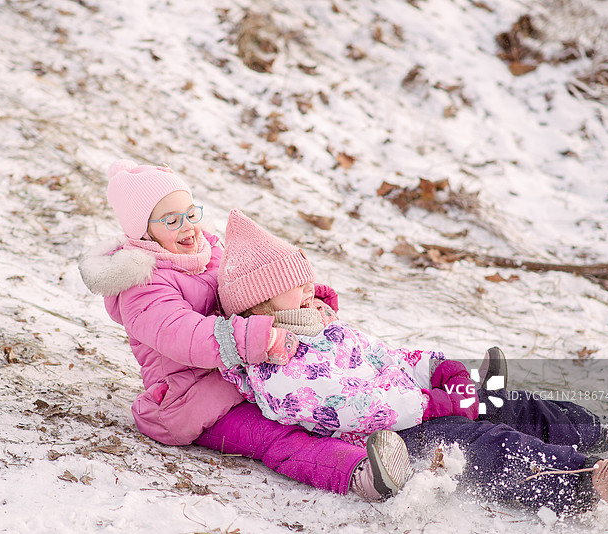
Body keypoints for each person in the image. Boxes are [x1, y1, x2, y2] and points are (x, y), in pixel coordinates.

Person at [216, 209, 608, 514]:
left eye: (305, 276)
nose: (309, 286)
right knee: (490, 444)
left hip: (423, 402)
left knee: (514, 404)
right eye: (294, 283)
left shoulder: (323, 322)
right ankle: (588, 484)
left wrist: (438, 369)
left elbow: (386, 357)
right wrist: (430, 404)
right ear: (260, 305)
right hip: (398, 434)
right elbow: (346, 408)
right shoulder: (274, 369)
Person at [78, 158, 412, 501]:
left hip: (245, 376)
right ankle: (362, 474)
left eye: (191, 214)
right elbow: (183, 334)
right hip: (195, 401)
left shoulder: (209, 253)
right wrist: (255, 337)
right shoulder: (142, 286)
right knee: (276, 436)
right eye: (172, 221)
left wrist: (298, 301)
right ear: (142, 232)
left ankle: (408, 421)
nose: (188, 227)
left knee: (317, 397)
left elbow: (249, 294)